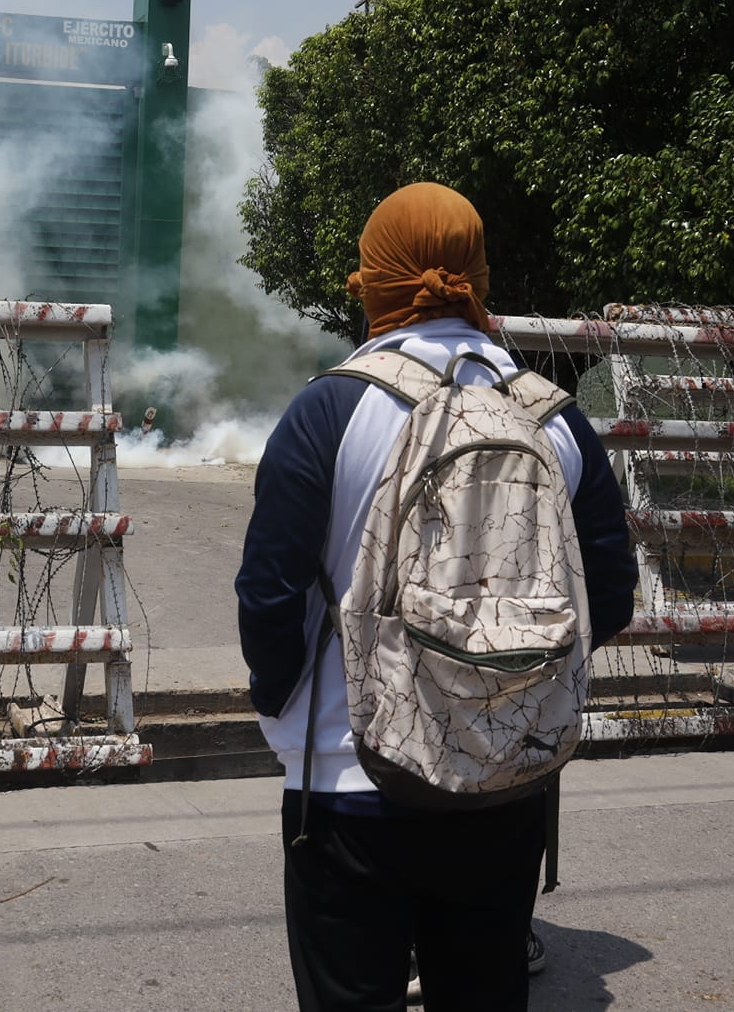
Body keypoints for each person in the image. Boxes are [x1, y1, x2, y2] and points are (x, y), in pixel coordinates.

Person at [236, 182, 637, 1011]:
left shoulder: (329, 410)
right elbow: (611, 596)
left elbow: (269, 594)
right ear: (480, 276)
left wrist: (288, 719)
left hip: (348, 786)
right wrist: (506, 684)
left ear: (372, 280)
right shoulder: (553, 418)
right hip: (505, 780)